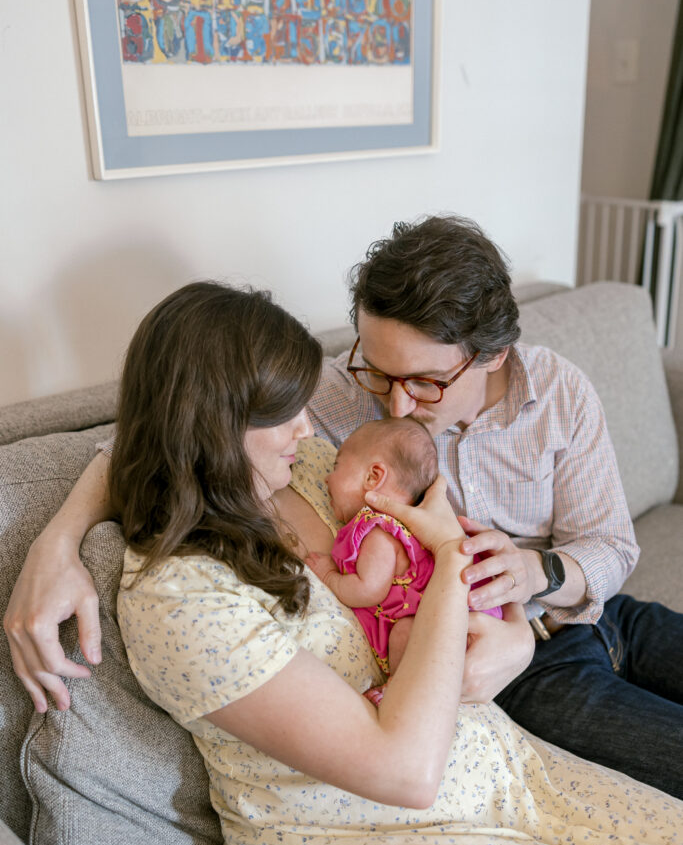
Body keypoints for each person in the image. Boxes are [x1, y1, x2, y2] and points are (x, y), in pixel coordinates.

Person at [104, 281, 679, 845]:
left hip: (510, 773)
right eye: (283, 413)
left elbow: (481, 570)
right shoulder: (181, 596)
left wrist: (520, 641)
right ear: (211, 421)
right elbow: (404, 772)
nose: (308, 429)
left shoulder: (313, 473)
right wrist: (442, 562)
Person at [5, 214, 683, 798]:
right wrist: (54, 544)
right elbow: (165, 434)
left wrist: (540, 576)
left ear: (492, 355)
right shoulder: (333, 397)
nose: (393, 404)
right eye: (377, 373)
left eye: (424, 382)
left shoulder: (559, 391)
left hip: (603, 613)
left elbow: (613, 546)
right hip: (519, 668)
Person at [306, 417, 502, 703]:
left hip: (455, 627)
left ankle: (400, 690)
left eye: (336, 466)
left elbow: (369, 589)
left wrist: (328, 577)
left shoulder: (379, 530)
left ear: (373, 477)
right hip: (458, 629)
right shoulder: (391, 527)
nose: (326, 478)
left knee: (404, 634)